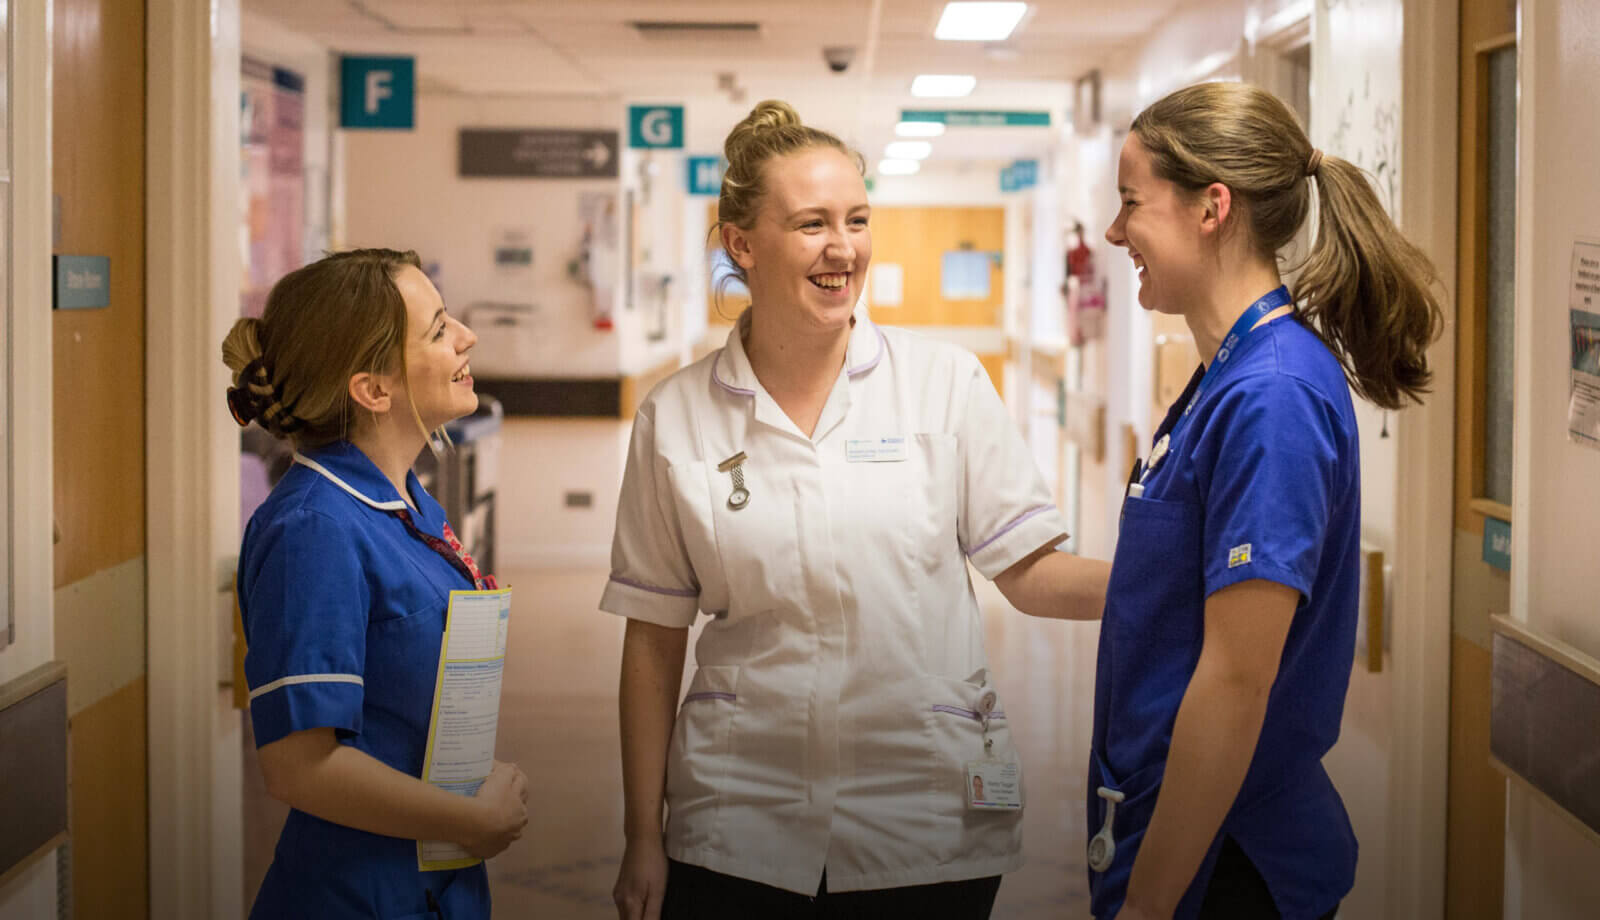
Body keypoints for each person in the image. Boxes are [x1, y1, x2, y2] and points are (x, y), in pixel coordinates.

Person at [604, 100, 1111, 920]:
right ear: (742, 244)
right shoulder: (678, 416)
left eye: (858, 219)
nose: (843, 248)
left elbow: (1029, 572)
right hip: (738, 817)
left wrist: (1177, 581)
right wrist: (639, 833)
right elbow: (654, 636)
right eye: (810, 223)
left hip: (927, 813)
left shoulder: (944, 384)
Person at [1088, 82, 1443, 920]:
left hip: (1229, 865)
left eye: (1131, 203)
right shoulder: (1230, 376)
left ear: (1212, 207)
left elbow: (1239, 679)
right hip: (1189, 837)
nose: (1113, 231)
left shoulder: (1271, 395)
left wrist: (1148, 906)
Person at [224, 248, 530, 919]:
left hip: (433, 879)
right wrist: (468, 819)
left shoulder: (404, 504)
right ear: (373, 389)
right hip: (356, 895)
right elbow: (299, 768)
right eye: (439, 329)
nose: (466, 338)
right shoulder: (314, 528)